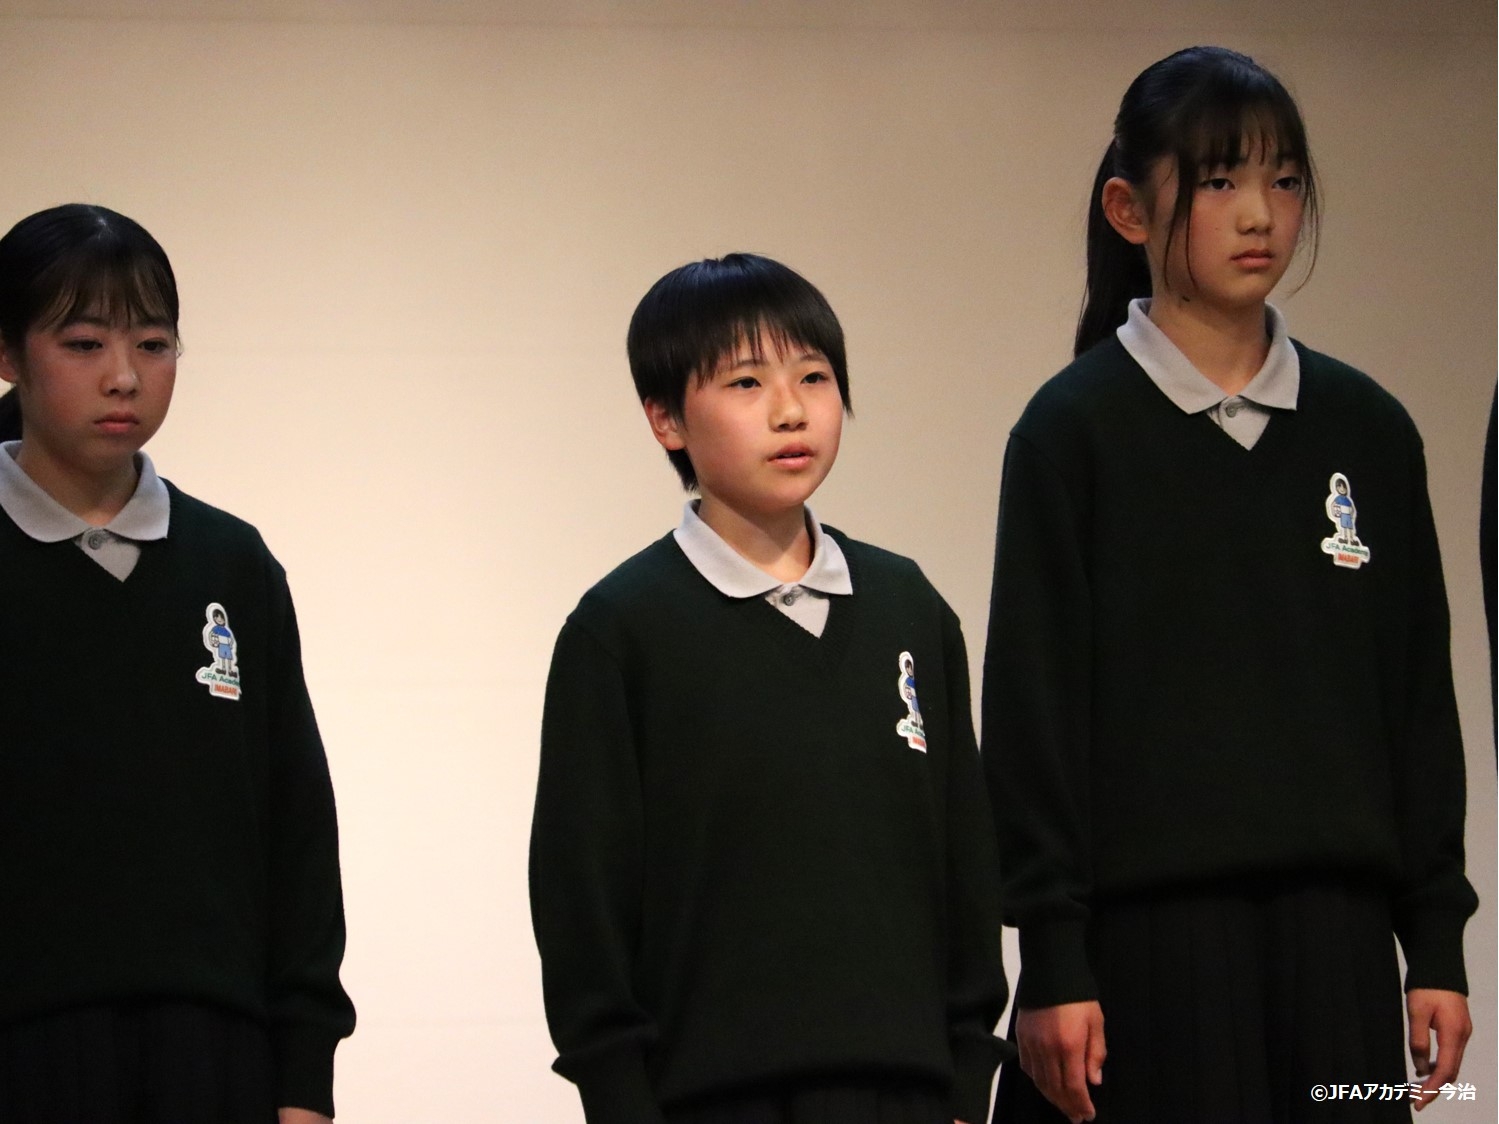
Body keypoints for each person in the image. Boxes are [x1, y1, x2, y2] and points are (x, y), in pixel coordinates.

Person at [982, 46, 1475, 1124]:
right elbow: (1032, 715)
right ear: (1128, 208)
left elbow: (1414, 705)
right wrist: (1052, 953)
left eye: (1283, 180)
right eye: (1217, 181)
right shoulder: (1072, 432)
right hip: (1147, 952)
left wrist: (1434, 941)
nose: (1259, 213)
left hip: (1338, 949)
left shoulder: (1368, 430)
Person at [529, 252, 1010, 1124]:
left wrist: (968, 1067)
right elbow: (582, 894)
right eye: (746, 382)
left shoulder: (907, 607)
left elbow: (964, 858)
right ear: (665, 418)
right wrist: (617, 1091)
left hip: (906, 1087)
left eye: (813, 377)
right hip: (708, 1095)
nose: (791, 411)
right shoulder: (623, 629)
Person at [0, 203, 354, 1123]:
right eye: (83, 343)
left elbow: (296, 826)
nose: (124, 376)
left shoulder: (231, 563)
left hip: (215, 1049)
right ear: (8, 354)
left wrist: (304, 1077)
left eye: (154, 345)